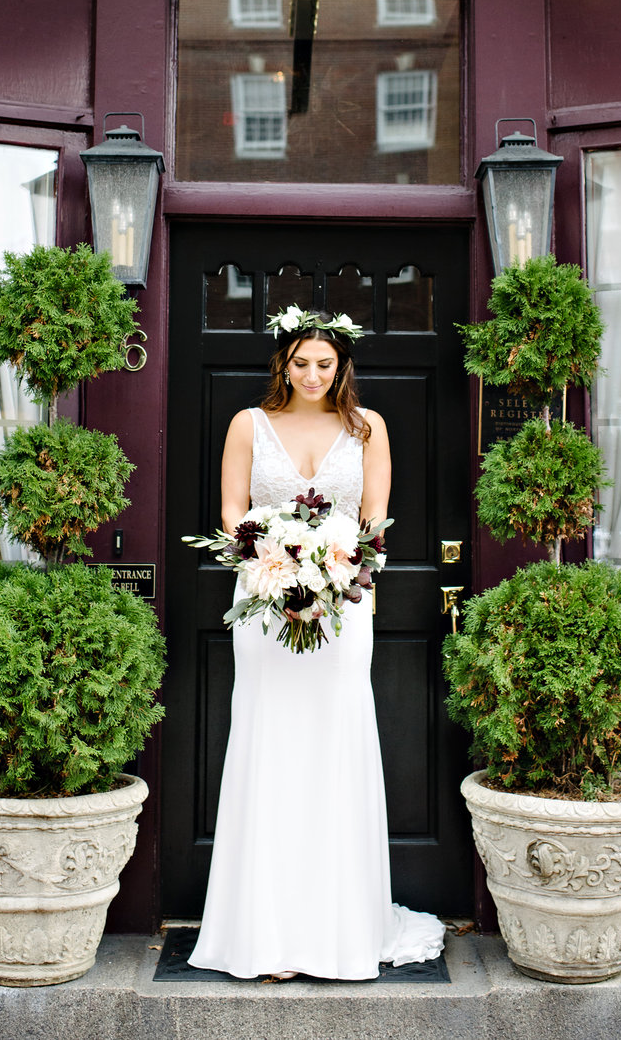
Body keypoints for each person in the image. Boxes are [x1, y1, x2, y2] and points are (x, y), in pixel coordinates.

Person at [188, 305, 445, 981]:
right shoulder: (248, 424)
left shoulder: (367, 427)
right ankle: (264, 935)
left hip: (342, 606)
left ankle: (337, 931)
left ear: (342, 366)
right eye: (300, 363)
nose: (311, 375)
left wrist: (333, 575)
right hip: (264, 598)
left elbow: (374, 520)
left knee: (333, 746)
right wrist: (273, 568)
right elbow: (232, 512)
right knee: (268, 744)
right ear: (283, 363)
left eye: (324, 364)